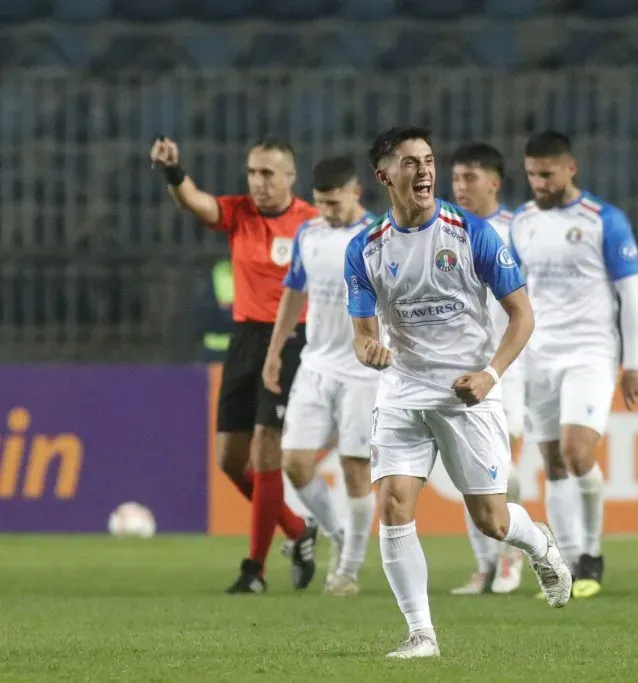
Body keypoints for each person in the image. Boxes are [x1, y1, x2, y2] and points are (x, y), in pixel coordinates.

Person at [344, 126, 572, 658]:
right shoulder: (365, 249)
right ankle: (421, 632)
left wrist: (490, 374)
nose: (424, 170)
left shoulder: (472, 233)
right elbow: (361, 334)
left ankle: (538, 542)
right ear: (384, 176)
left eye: (428, 160)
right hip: (402, 391)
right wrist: (370, 350)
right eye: (409, 163)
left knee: (492, 521)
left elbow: (522, 315)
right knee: (394, 505)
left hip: (466, 391)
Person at [150, 136, 319, 593]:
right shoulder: (239, 212)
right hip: (244, 340)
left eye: (268, 173)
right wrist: (173, 170)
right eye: (252, 172)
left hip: (290, 342)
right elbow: (195, 201)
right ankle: (298, 530)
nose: (258, 182)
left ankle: (254, 571)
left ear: (290, 177)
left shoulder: (312, 223)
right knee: (230, 461)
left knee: (266, 450)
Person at [509, 131, 638, 600]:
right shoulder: (523, 222)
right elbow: (512, 294)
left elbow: (631, 294)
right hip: (537, 354)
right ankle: (564, 562)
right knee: (551, 460)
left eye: (546, 174)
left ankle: (592, 552)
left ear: (571, 169)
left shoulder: (603, 220)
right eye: (531, 174)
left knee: (576, 451)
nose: (538, 183)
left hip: (589, 351)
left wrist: (633, 362)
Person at [262, 157, 378, 596]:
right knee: (294, 462)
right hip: (316, 363)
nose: (326, 210)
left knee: (355, 469)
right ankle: (338, 532)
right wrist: (275, 351)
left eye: (333, 202)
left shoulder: (379, 238)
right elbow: (294, 292)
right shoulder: (308, 234)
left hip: (363, 371)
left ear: (355, 193)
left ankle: (348, 568)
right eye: (319, 203)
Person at [449, 141, 526, 596]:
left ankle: (512, 551)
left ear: (494, 182)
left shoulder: (520, 230)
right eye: (456, 178)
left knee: (504, 468)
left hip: (511, 366)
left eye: (470, 178)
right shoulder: (445, 230)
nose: (460, 186)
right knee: (468, 468)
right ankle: (485, 565)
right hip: (463, 365)